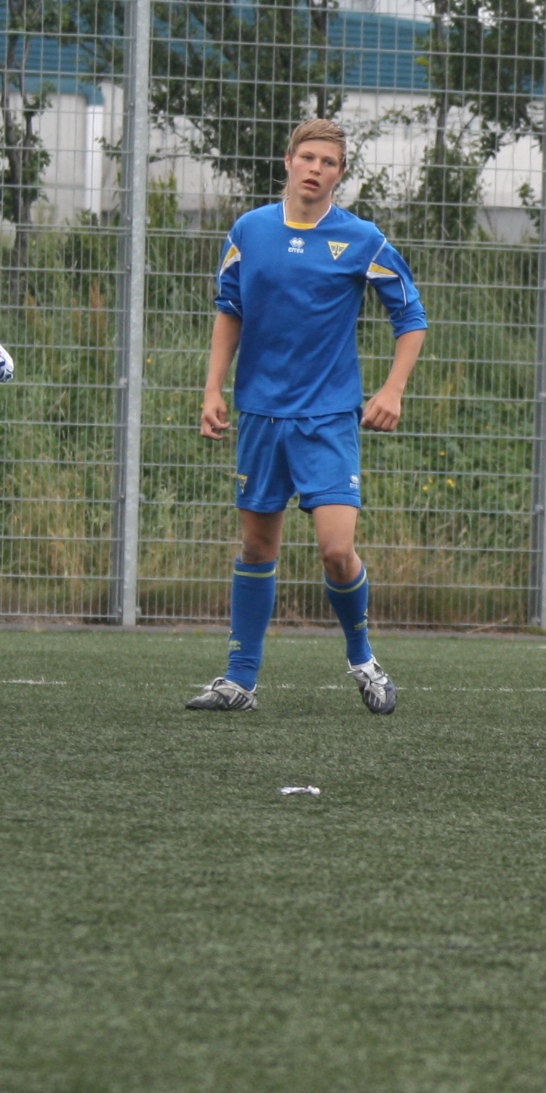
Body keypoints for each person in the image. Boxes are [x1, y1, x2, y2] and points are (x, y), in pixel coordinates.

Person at [187, 117, 428, 714]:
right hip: (261, 414)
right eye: (308, 157)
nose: (316, 169)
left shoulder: (362, 239)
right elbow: (229, 309)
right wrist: (212, 388)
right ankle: (239, 680)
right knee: (256, 548)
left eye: (329, 162)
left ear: (340, 174)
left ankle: (363, 659)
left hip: (327, 418)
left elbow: (411, 317)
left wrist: (393, 390)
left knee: (336, 550)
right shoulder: (250, 230)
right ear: (289, 160)